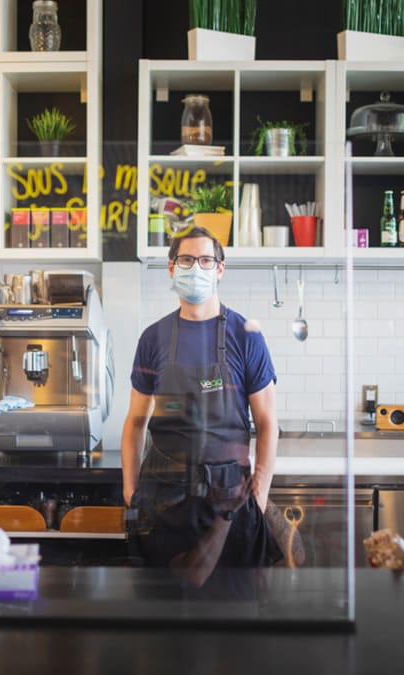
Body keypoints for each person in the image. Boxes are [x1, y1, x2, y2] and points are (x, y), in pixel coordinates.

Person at [122, 226, 282, 589]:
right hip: (164, 505)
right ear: (171, 267)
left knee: (233, 620)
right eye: (187, 259)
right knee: (164, 622)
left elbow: (268, 423)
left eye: (206, 260)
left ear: (220, 269)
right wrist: (130, 489)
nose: (196, 267)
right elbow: (135, 423)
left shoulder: (245, 335)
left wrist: (257, 496)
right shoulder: (153, 338)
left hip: (229, 506)